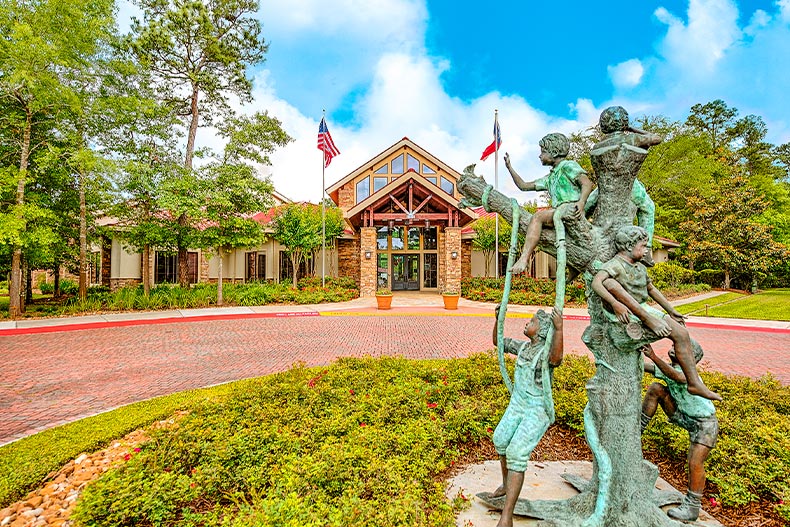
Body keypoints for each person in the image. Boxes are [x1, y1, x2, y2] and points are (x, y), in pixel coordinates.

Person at [591, 225, 721, 401]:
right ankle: (649, 320)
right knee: (610, 284)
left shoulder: (639, 266)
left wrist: (671, 310)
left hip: (643, 307)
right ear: (629, 246)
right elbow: (597, 283)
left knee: (682, 333)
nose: (646, 251)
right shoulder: (615, 264)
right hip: (626, 312)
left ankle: (693, 382)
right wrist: (615, 304)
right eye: (643, 246)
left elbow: (651, 289)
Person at [489, 305, 564, 527]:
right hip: (518, 403)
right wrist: (498, 318)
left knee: (516, 451)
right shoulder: (523, 347)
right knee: (500, 439)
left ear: (541, 332)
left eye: (532, 322)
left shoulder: (545, 354)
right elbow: (498, 342)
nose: (527, 323)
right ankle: (506, 485)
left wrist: (559, 330)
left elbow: (557, 358)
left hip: (536, 408)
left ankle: (507, 515)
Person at [641, 342, 718, 522]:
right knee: (656, 389)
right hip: (683, 415)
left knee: (694, 462)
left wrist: (653, 355)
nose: (674, 347)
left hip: (704, 425)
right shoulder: (673, 369)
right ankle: (637, 430)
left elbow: (676, 376)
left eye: (680, 348)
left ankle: (692, 506)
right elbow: (653, 369)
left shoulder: (687, 374)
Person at [504, 133, 593, 275]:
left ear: (555, 152)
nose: (540, 156)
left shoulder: (568, 166)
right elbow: (524, 186)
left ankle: (524, 258)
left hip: (570, 208)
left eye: (542, 152)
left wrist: (581, 202)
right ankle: (573, 267)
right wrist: (510, 168)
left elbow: (586, 183)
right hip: (558, 212)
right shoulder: (551, 177)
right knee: (548, 240)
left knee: (537, 217)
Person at [584, 106, 661, 266]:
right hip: (629, 185)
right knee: (648, 207)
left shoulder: (598, 146)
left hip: (604, 188)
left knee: (585, 207)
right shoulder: (631, 139)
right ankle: (646, 248)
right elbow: (656, 138)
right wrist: (631, 129)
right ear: (624, 122)